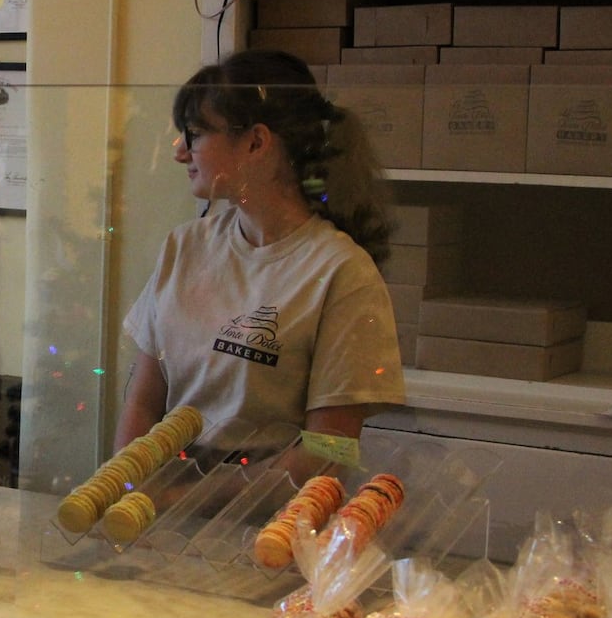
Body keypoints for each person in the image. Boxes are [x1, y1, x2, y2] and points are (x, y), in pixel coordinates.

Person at [115, 49, 405, 450]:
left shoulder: (342, 271)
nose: (179, 152)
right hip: (164, 501)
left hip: (272, 510)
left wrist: (184, 497)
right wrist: (128, 486)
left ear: (255, 142)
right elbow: (143, 403)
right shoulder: (186, 246)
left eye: (195, 134)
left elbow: (328, 450)